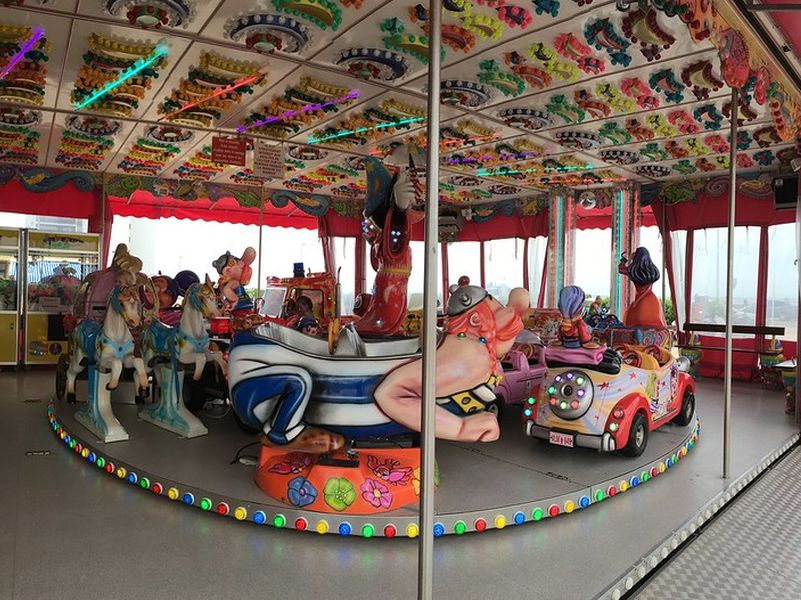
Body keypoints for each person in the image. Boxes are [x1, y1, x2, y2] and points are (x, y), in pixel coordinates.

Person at [619, 247, 667, 329]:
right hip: (649, 298)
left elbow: (621, 269)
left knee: (636, 323)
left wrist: (624, 260)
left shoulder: (634, 271)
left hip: (640, 299)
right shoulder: (651, 271)